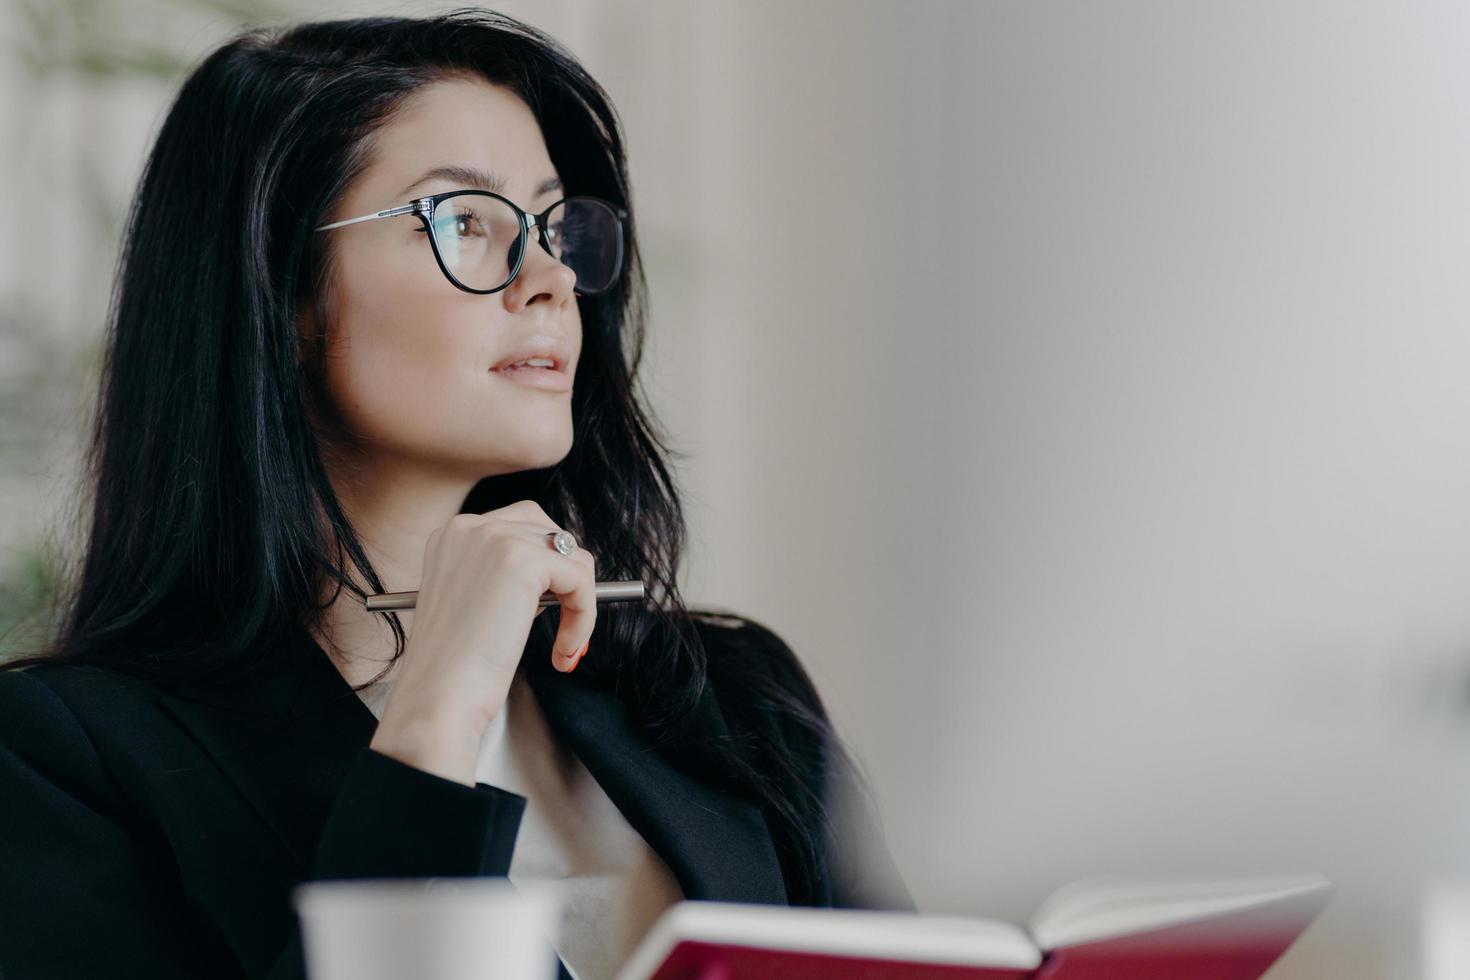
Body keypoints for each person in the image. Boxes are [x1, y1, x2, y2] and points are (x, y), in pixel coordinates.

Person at [0, 8, 914, 979]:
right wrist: (436, 712)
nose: (553, 278)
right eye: (465, 221)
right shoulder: (70, 760)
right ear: (285, 292)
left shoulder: (734, 698)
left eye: (557, 226)